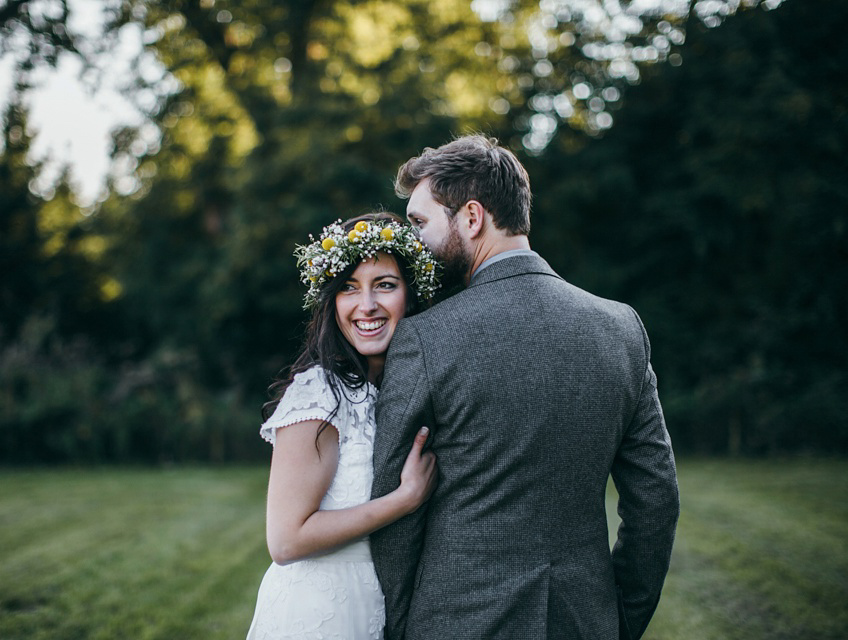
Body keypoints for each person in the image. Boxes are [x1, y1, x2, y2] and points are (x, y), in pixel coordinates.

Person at [369, 135, 680, 640]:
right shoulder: (621, 328)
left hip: (456, 622)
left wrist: (402, 627)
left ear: (472, 218)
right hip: (585, 621)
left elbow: (394, 513)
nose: (413, 245)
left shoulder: (425, 338)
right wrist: (620, 620)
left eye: (420, 224)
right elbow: (656, 502)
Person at [246, 212, 440, 639]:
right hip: (317, 614)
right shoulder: (319, 394)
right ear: (332, 302)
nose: (366, 305)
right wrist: (404, 498)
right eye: (349, 288)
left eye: (384, 285)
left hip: (376, 607)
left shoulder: (398, 392)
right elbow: (285, 541)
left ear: (411, 295)